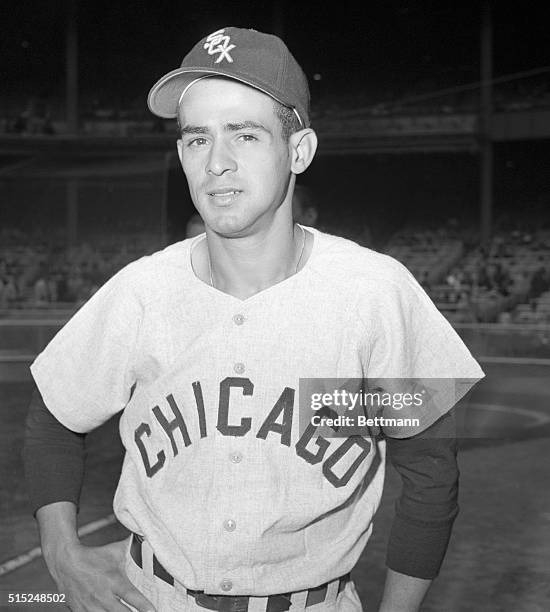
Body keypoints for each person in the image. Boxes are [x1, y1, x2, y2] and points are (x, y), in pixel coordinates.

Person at [24, 27, 484, 612]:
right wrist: (62, 555)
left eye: (245, 134)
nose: (217, 163)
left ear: (299, 150)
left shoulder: (374, 293)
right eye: (197, 140)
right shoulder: (141, 290)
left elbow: (429, 472)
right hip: (149, 597)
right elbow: (53, 415)